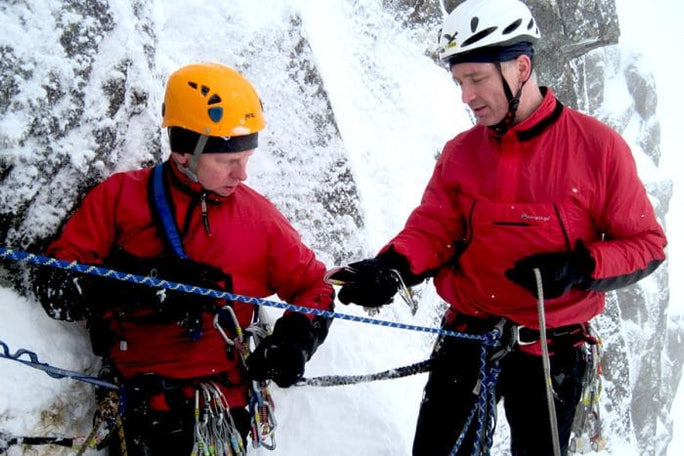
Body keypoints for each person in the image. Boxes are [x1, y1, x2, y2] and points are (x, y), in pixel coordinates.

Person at [329, 1, 667, 455]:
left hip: (552, 352)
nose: (466, 96)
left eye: (476, 79)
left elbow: (647, 244)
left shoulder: (597, 148)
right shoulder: (462, 152)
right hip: (467, 339)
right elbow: (434, 228)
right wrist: (393, 267)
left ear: (520, 68)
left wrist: (580, 265)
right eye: (459, 82)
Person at [31, 62, 334, 455]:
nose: (242, 174)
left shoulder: (258, 219)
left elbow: (315, 287)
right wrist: (144, 285)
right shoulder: (120, 200)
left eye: (247, 158)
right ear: (184, 151)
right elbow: (56, 288)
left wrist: (296, 339)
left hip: (220, 406)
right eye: (228, 161)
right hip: (142, 404)